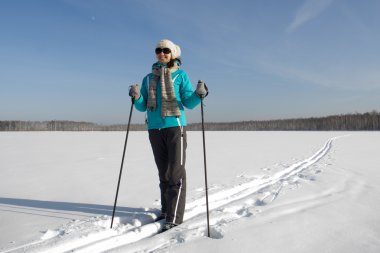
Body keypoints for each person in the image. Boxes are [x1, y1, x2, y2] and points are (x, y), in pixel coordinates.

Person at [129, 39, 208, 231]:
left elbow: (188, 103)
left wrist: (199, 94)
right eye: (158, 50)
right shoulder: (148, 78)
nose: (161, 53)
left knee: (175, 172)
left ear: (173, 54)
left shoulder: (180, 75)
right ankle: (165, 211)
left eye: (165, 50)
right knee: (163, 172)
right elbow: (142, 107)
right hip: (154, 129)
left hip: (175, 127)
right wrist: (137, 96)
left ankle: (174, 217)